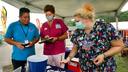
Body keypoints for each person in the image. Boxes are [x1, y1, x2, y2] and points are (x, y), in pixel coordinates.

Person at [61, 3, 124, 72]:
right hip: (85, 68)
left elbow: (119, 46)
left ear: (87, 19)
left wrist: (104, 55)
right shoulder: (77, 32)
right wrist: (68, 58)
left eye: (77, 21)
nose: (76, 24)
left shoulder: (105, 27)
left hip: (105, 68)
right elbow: (75, 48)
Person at [4, 7, 39, 72]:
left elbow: (37, 37)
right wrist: (16, 43)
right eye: (25, 17)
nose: (27, 19)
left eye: (28, 17)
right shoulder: (13, 26)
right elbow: (6, 38)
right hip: (17, 58)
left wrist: (33, 42)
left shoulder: (33, 26)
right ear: (19, 17)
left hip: (31, 58)